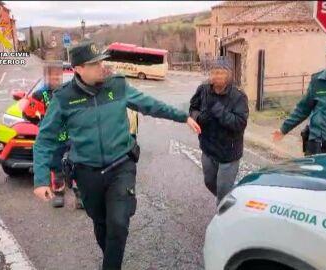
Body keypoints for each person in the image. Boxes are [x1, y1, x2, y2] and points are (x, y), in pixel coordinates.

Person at [32, 41, 201, 270]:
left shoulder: (117, 86)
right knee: (101, 224)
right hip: (86, 173)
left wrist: (183, 117)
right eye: (95, 64)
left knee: (119, 223)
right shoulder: (64, 98)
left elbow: (150, 104)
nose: (102, 66)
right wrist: (41, 179)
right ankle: (112, 260)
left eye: (102, 61)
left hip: (121, 165)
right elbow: (44, 139)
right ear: (78, 69)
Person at [22, 61, 84, 209]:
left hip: (71, 139)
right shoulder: (39, 95)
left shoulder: (68, 92)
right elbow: (27, 113)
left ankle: (80, 196)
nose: (56, 77)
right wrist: (42, 124)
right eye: (52, 74)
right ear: (47, 76)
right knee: (57, 169)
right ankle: (59, 195)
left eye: (58, 74)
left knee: (77, 167)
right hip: (54, 141)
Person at [189, 58, 249, 204]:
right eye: (215, 72)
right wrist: (199, 117)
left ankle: (223, 216)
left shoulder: (238, 96)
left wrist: (217, 109)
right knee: (209, 182)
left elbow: (239, 123)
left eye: (222, 73)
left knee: (222, 193)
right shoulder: (203, 89)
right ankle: (231, 202)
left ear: (228, 75)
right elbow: (192, 108)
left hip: (228, 154)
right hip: (208, 149)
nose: (218, 76)